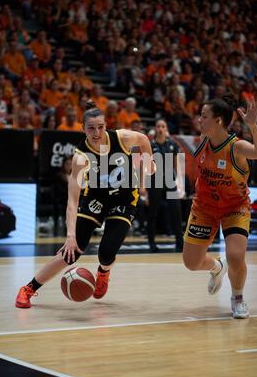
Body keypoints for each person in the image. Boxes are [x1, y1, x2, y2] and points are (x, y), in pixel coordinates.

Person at [15, 101, 155, 308]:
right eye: (91, 128)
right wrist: (70, 236)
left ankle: (104, 272)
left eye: (100, 127)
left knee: (106, 252)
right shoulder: (80, 157)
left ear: (106, 126)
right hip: (96, 198)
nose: (97, 132)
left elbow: (143, 139)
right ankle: (28, 288)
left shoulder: (122, 138)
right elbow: (72, 200)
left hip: (124, 197)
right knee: (71, 253)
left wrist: (149, 160)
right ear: (83, 129)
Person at [183, 95, 257, 319]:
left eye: (204, 116)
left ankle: (237, 298)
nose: (199, 120)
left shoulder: (236, 147)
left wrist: (252, 125)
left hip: (234, 207)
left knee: (236, 256)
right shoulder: (203, 138)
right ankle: (216, 267)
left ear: (218, 121)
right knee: (191, 263)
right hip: (204, 207)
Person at [144, 118, 183, 252]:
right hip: (155, 181)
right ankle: (151, 243)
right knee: (153, 213)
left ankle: (180, 241)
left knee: (176, 210)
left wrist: (179, 183)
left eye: (163, 126)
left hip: (170, 181)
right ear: (155, 129)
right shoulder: (149, 145)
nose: (160, 128)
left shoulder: (172, 144)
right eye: (158, 126)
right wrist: (143, 186)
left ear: (166, 129)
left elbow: (176, 164)